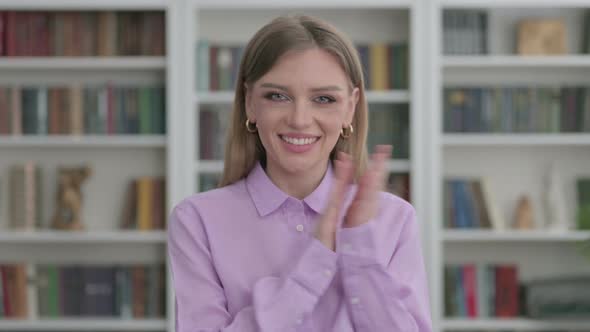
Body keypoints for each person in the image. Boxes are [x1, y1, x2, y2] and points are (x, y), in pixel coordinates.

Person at [168, 14, 432, 332]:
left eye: (323, 99)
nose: (300, 119)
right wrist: (317, 260)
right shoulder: (197, 220)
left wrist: (359, 253)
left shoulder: (396, 219)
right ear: (250, 102)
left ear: (351, 107)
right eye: (278, 96)